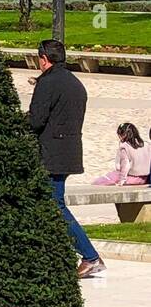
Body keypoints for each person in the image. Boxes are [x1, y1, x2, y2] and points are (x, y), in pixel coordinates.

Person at [29, 39, 105, 278]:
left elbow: (36, 120)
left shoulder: (48, 83)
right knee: (47, 204)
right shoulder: (74, 82)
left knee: (54, 205)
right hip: (69, 150)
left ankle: (90, 255)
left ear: (44, 59)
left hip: (51, 153)